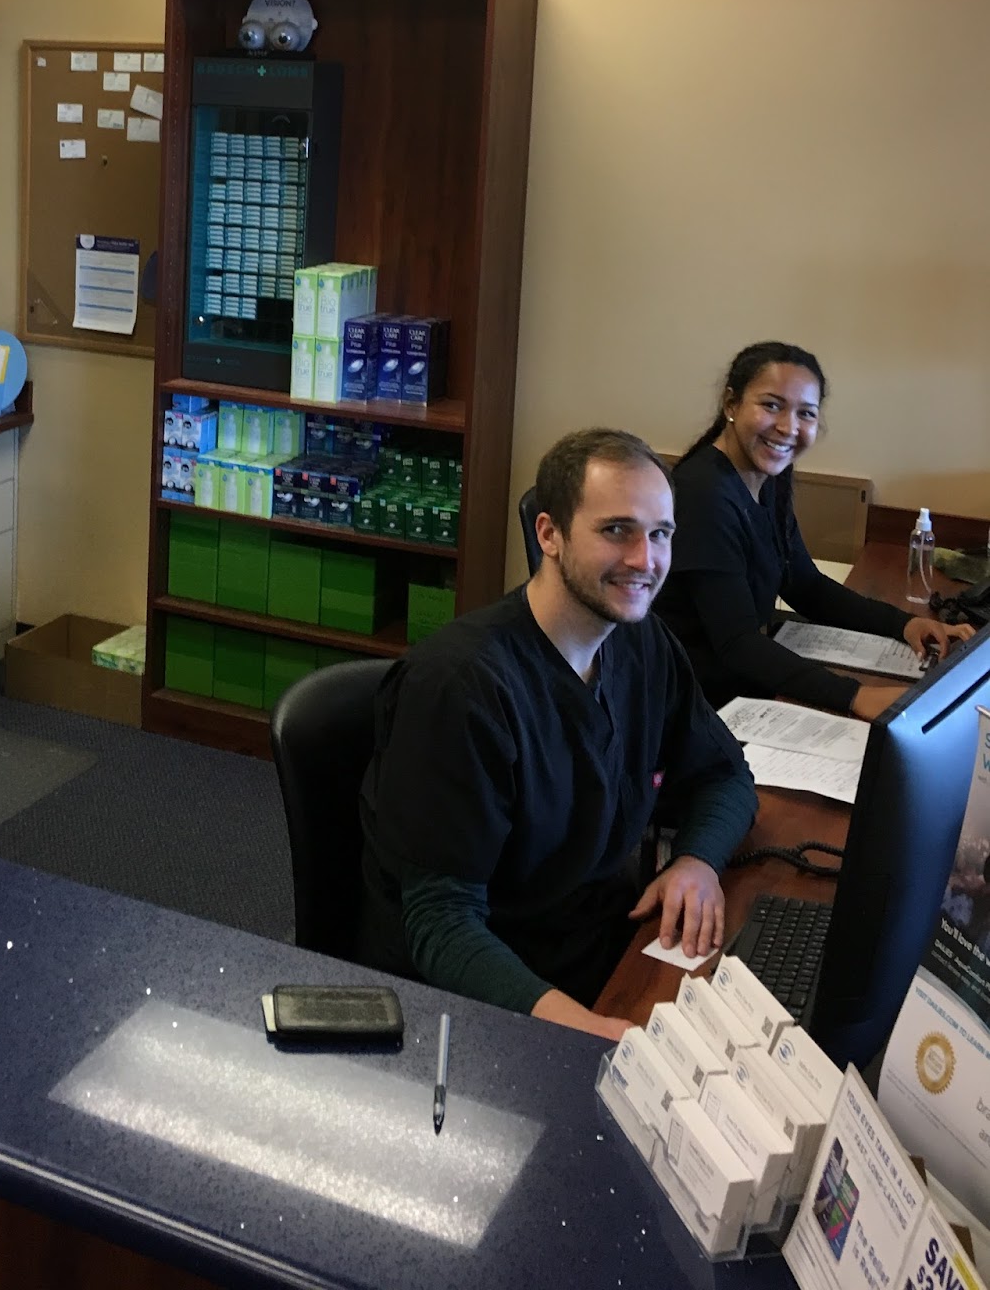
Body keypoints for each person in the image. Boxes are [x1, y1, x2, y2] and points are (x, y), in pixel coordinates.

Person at [358, 427, 757, 1040]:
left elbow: (725, 774)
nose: (645, 560)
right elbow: (441, 923)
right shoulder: (461, 688)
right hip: (489, 998)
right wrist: (587, 1031)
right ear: (549, 534)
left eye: (660, 534)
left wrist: (697, 860)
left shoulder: (640, 641)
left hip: (600, 949)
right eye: (616, 530)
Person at [661, 342, 970, 720]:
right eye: (771, 405)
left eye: (805, 413)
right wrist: (856, 696)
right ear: (731, 404)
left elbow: (806, 586)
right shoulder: (703, 493)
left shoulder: (766, 474)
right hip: (693, 699)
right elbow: (737, 643)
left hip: (739, 677)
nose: (788, 427)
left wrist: (904, 624)